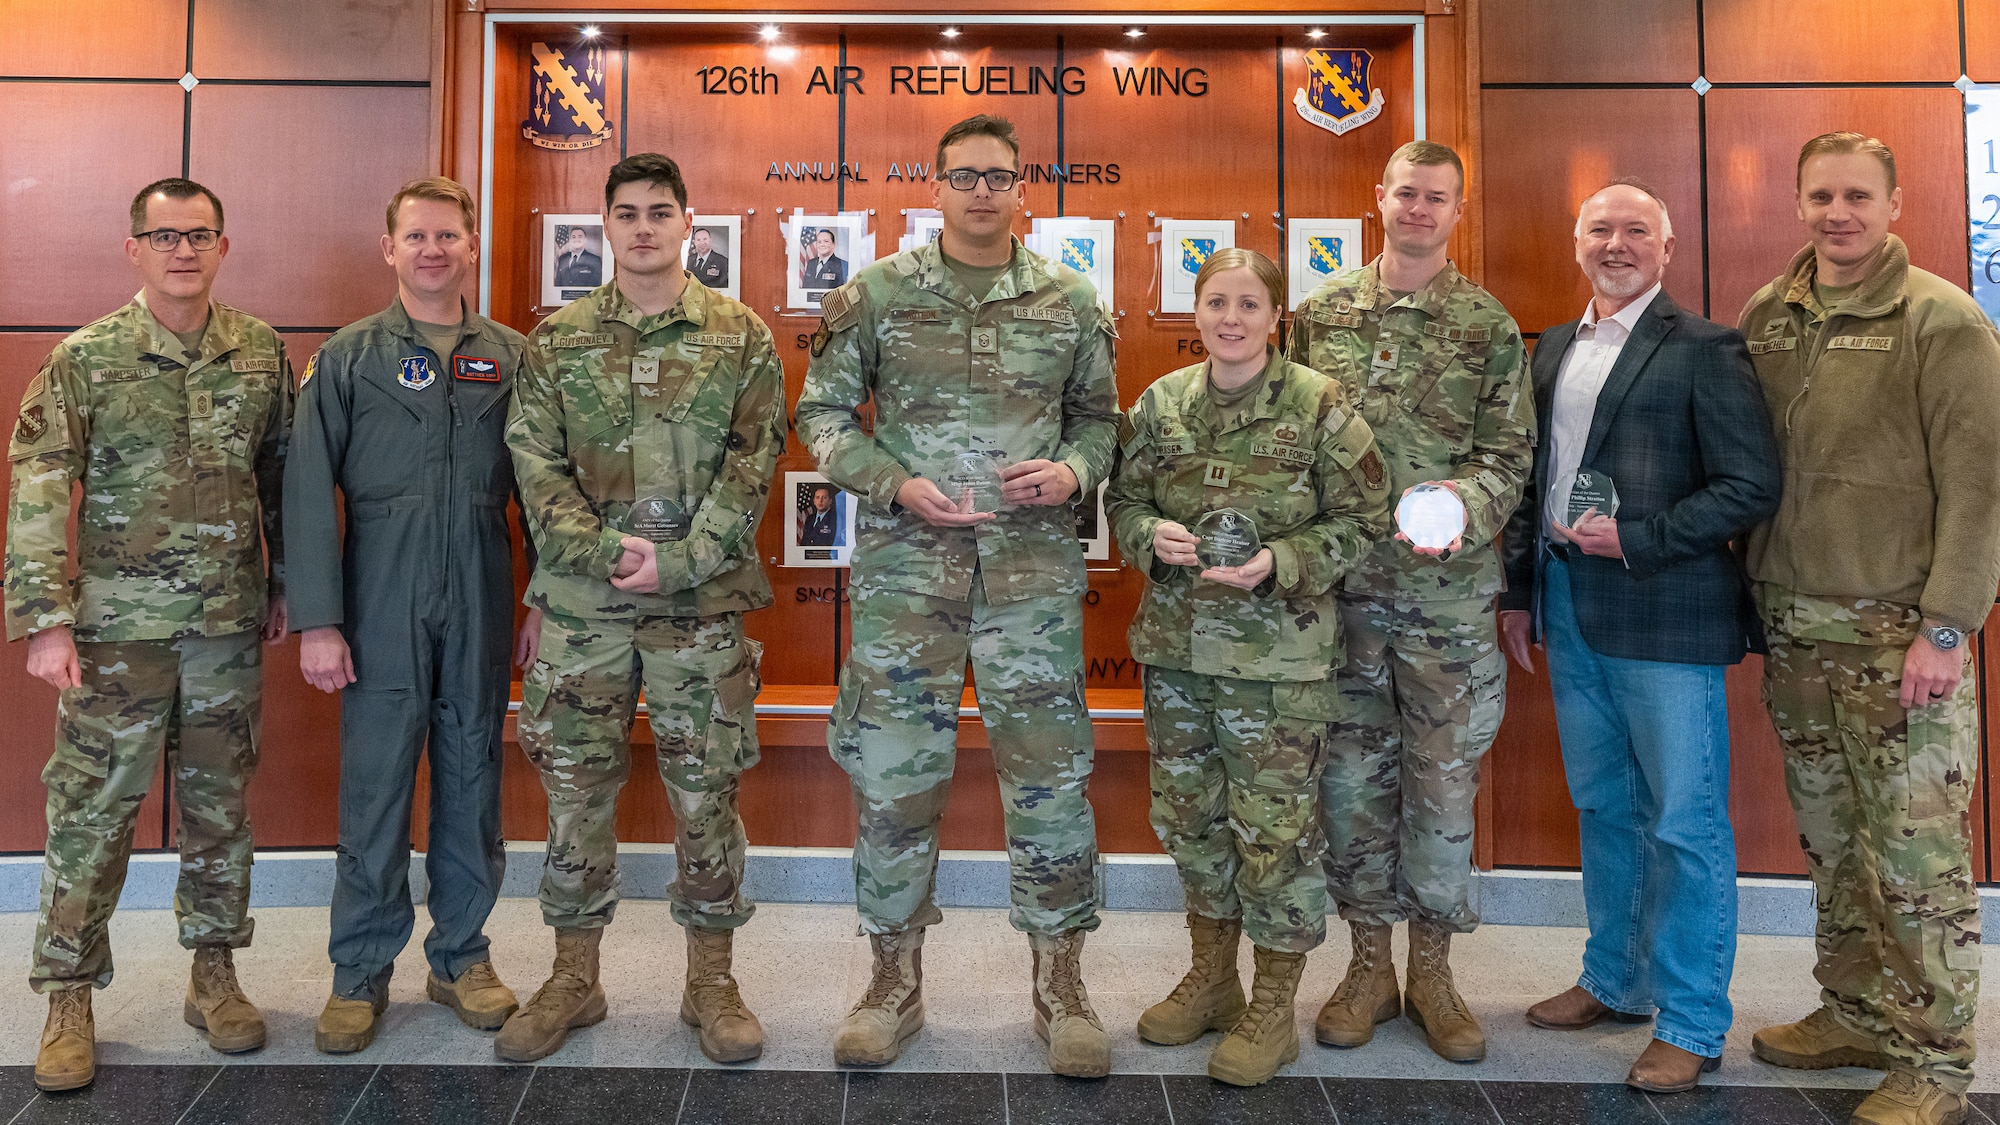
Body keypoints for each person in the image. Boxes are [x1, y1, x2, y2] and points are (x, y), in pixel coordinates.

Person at [795, 113, 1120, 1077]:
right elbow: (819, 411)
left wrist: (1070, 474)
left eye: (999, 175)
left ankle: (1061, 985)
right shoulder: (880, 294)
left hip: (1031, 581)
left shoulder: (1068, 298)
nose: (982, 190)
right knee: (895, 781)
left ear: (1024, 187)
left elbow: (1101, 422)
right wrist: (890, 480)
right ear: (935, 187)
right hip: (907, 574)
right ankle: (892, 983)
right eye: (964, 175)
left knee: (1052, 783)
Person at [501, 152, 786, 1066]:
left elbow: (754, 466)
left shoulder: (740, 336)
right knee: (576, 793)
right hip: (584, 609)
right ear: (605, 228)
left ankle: (711, 980)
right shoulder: (557, 340)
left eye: (661, 211)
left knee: (706, 794)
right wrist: (599, 552)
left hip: (699, 609)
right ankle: (574, 977)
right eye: (626, 213)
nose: (644, 228)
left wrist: (683, 560)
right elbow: (532, 464)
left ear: (688, 224)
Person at [5, 178, 289, 1091]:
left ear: (223, 245)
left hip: (225, 628)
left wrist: (284, 586)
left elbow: (281, 479)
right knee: (93, 815)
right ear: (133, 248)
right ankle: (67, 993)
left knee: (220, 811)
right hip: (118, 634)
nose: (182, 250)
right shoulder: (86, 358)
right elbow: (42, 484)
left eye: (199, 234)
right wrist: (45, 619)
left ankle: (214, 974)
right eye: (163, 235)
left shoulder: (259, 353)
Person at [1498, 180, 1782, 1094]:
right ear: (1575, 242)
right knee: (1606, 807)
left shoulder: (1705, 347)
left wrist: (1639, 538)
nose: (1615, 244)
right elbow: (1527, 478)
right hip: (1569, 607)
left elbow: (1749, 484)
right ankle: (1615, 979)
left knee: (1685, 822)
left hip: (1664, 612)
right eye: (1599, 230)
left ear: (1667, 246)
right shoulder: (1549, 348)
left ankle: (1693, 1020)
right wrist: (1515, 593)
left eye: (1635, 231)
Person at [1740, 132, 2000, 1125]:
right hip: (1795, 624)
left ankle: (1932, 1059)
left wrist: (1946, 626)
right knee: (1833, 841)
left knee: (1913, 855)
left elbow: (1978, 487)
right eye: (1818, 195)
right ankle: (1851, 1012)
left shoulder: (1940, 320)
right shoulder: (1769, 315)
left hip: (1899, 633)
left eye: (1855, 195)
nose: (1835, 212)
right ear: (1797, 203)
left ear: (1893, 203)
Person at [1109, 248, 1390, 1086]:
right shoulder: (1162, 403)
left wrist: (1284, 560)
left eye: (1248, 304)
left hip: (1278, 662)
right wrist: (1144, 537)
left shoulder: (1320, 405)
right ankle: (1213, 981)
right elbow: (1123, 499)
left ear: (1276, 318)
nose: (1230, 318)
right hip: (1179, 652)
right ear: (1195, 313)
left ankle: (1273, 1004)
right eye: (1215, 302)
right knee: (1191, 824)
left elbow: (1367, 516)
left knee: (1274, 834)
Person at [1285, 140, 1532, 1063]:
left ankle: (1434, 970)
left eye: (1437, 198)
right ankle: (1367, 967)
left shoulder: (1488, 326)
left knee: (1440, 785)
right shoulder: (1317, 317)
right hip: (1344, 597)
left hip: (1444, 599)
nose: (1419, 209)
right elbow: (1293, 440)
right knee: (1349, 785)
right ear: (1377, 199)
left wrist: (1454, 508)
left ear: (1458, 210)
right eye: (1406, 194)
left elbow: (1509, 458)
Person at [284, 177, 538, 1054]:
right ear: (388, 248)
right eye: (417, 236)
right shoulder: (348, 358)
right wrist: (319, 617)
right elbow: (309, 491)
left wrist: (538, 594)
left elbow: (543, 492)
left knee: (472, 774)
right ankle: (358, 970)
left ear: (472, 246)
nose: (434, 250)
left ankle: (462, 954)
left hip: (480, 575)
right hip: (378, 586)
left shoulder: (511, 357)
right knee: (378, 781)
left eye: (450, 235)